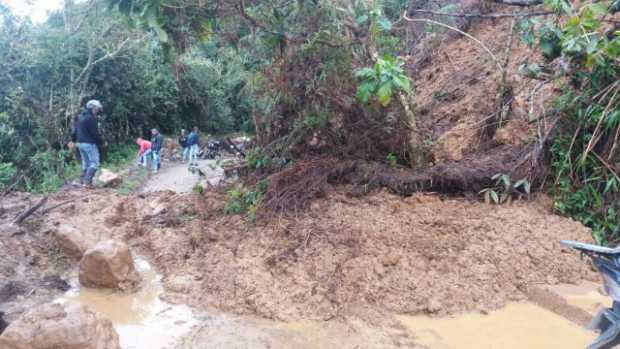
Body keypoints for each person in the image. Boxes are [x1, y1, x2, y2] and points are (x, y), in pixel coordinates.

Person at [71, 100, 105, 187]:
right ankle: (87, 182)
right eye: (97, 109)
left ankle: (81, 181)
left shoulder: (80, 117)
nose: (97, 111)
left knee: (86, 163)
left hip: (80, 144)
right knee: (95, 163)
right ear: (93, 108)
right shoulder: (91, 118)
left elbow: (74, 131)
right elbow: (95, 134)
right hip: (89, 144)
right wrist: (102, 142)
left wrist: (73, 141)